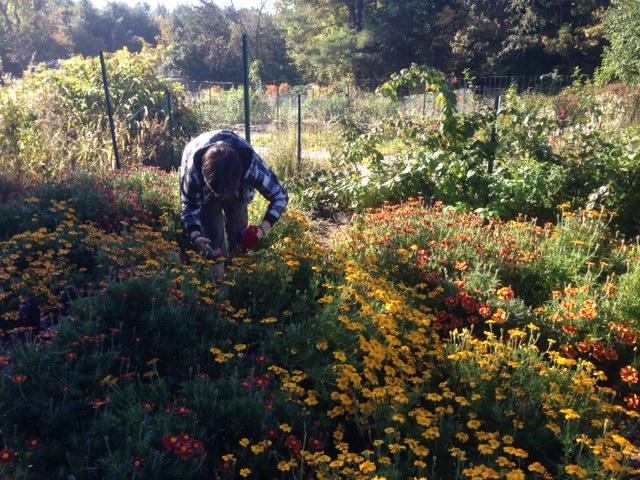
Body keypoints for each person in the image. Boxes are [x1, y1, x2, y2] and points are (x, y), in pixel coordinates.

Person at [179, 129, 288, 275]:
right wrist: (196, 236)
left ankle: (238, 270)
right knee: (212, 234)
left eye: (226, 193)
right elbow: (189, 207)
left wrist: (260, 231)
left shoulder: (251, 169)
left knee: (239, 231)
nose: (222, 197)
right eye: (219, 192)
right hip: (204, 172)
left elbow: (280, 196)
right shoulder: (194, 174)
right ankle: (218, 277)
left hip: (236, 182)